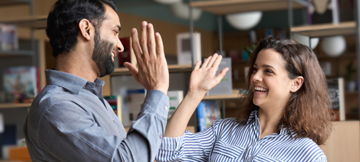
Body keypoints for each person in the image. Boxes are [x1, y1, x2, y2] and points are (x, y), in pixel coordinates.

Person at [23, 0, 170, 161]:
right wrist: (157, 90)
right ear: (86, 29)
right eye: (115, 32)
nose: (120, 46)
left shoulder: (92, 98)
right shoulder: (55, 106)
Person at [156, 36, 333, 162]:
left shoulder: (308, 155)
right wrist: (195, 93)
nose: (255, 77)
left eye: (268, 71)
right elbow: (166, 151)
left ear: (296, 83)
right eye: (255, 69)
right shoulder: (223, 130)